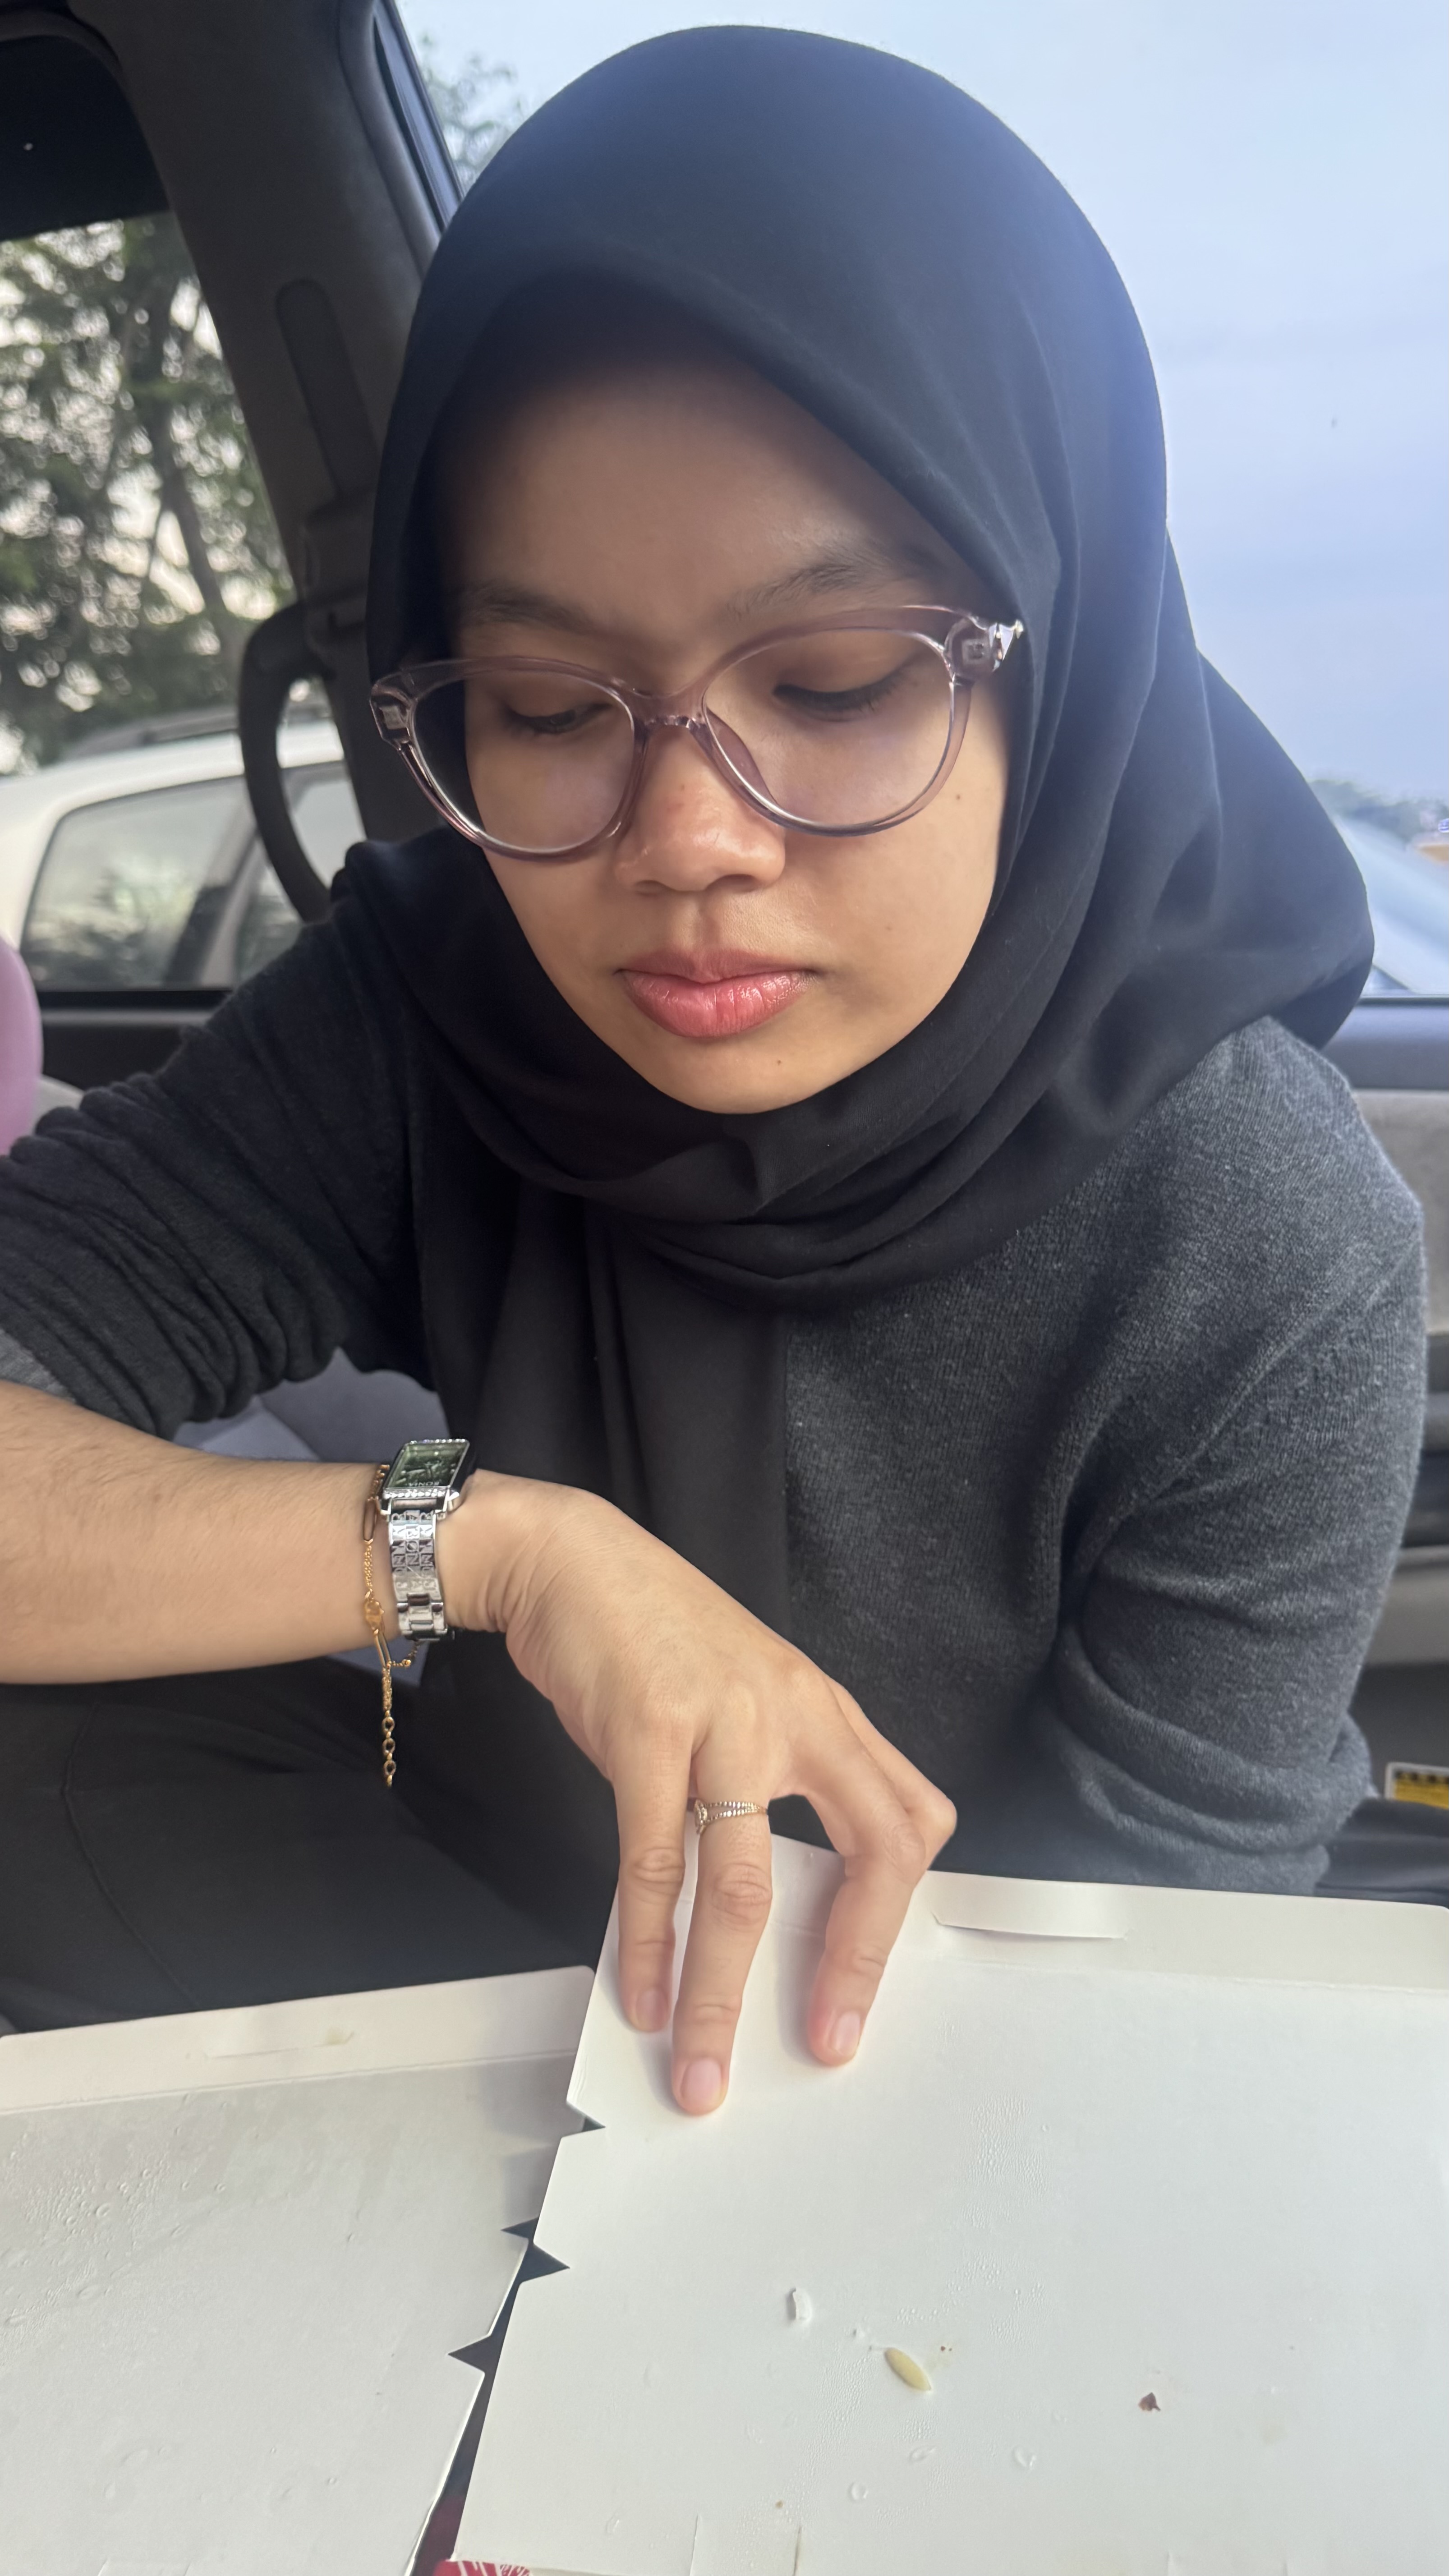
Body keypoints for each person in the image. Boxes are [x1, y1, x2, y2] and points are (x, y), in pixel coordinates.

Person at [0, 30, 1425, 2102]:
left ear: (1064, 666)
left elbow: (1144, 1980)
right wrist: (485, 1542)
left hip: (930, 2065)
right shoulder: (432, 1011)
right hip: (470, 1989)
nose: (684, 844)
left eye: (832, 683)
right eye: (546, 706)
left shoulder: (1262, 1234)